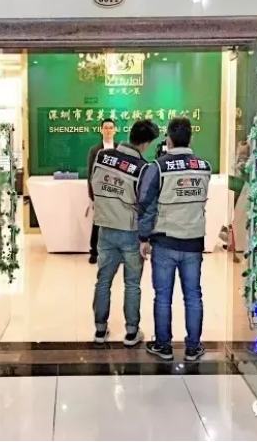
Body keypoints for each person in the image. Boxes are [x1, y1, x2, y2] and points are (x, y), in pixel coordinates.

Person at [138, 117, 211, 361]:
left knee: (163, 297)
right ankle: (193, 347)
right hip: (193, 242)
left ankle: (164, 346)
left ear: (168, 140)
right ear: (191, 138)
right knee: (193, 296)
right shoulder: (204, 167)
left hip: (165, 242)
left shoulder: (157, 167)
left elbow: (146, 205)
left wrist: (143, 237)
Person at [91, 119, 159, 346]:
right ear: (146, 143)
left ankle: (100, 330)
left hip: (105, 228)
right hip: (130, 232)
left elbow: (94, 186)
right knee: (132, 284)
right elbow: (146, 205)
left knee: (103, 281)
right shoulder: (143, 168)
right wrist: (146, 237)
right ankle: (131, 332)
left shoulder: (102, 156)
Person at [87, 118, 117, 264]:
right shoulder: (95, 150)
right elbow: (90, 174)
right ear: (101, 130)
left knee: (116, 222)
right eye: (105, 128)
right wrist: (92, 196)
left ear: (115, 130)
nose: (108, 130)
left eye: (111, 128)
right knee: (98, 223)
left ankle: (115, 252)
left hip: (116, 191)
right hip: (99, 192)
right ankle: (94, 252)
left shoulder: (120, 149)